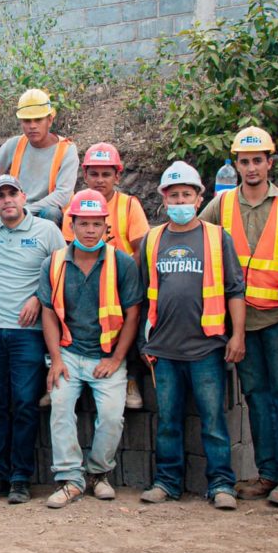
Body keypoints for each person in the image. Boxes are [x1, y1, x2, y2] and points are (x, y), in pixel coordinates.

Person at [198, 126, 278, 506]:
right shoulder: (222, 205)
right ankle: (267, 474)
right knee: (257, 397)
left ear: (269, 163)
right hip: (239, 324)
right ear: (236, 164)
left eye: (257, 161)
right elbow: (196, 236)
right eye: (244, 162)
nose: (251, 168)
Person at [137, 162, 246, 511]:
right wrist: (144, 342)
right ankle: (167, 482)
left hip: (206, 349)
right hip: (165, 350)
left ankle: (221, 484)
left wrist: (237, 335)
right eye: (173, 195)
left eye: (186, 194)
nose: (179, 200)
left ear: (199, 198)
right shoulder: (153, 239)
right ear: (164, 200)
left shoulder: (216, 237)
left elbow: (234, 290)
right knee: (168, 422)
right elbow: (141, 295)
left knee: (213, 421)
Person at [38, 190, 143, 508]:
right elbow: (48, 312)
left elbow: (133, 313)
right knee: (60, 409)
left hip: (106, 354)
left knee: (112, 416)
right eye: (84, 224)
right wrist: (55, 359)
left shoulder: (121, 263)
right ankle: (70, 478)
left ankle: (98, 474)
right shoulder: (54, 263)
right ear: (72, 224)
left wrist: (116, 359)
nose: (90, 230)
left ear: (106, 227)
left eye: (97, 224)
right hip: (69, 352)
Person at [0, 175, 66, 504]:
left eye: (12, 193)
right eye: (0, 196)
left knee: (26, 404)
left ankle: (20, 477)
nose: (7, 200)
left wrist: (38, 298)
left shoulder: (47, 232)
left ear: (24, 196)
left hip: (28, 335)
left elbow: (62, 273)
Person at [62, 142, 151, 410]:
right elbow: (69, 247)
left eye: (106, 174)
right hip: (84, 277)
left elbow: (140, 249)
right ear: (85, 175)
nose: (100, 180)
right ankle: (60, 376)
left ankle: (131, 379)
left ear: (117, 176)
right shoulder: (75, 205)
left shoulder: (128, 205)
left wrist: (117, 273)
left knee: (134, 313)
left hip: (122, 279)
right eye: (94, 174)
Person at [0, 89, 78, 223]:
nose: (32, 126)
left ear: (49, 120)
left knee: (51, 212)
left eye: (38, 120)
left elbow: (63, 194)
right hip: (17, 209)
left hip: (45, 213)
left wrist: (26, 211)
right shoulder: (15, 144)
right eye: (27, 121)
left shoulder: (67, 150)